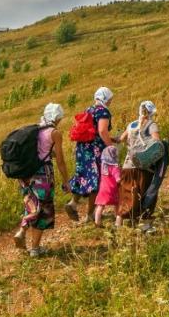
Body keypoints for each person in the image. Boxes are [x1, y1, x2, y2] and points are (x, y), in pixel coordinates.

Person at [13, 103, 70, 257]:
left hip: (26, 175)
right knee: (43, 210)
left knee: (32, 204)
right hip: (42, 175)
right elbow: (60, 160)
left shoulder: (36, 129)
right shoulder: (54, 133)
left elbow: (39, 151)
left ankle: (21, 231)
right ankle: (35, 249)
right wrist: (66, 180)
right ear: (57, 118)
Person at [67, 87, 115, 223]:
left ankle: (73, 203)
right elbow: (102, 131)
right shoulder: (103, 112)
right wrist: (111, 146)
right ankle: (90, 215)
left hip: (82, 148)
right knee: (96, 180)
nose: (110, 102)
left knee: (82, 175)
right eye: (110, 99)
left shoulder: (89, 109)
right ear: (106, 98)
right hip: (95, 151)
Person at [116, 100, 161, 229]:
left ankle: (118, 224)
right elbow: (157, 142)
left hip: (128, 165)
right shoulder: (152, 125)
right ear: (151, 112)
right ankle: (145, 225)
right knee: (145, 194)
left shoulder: (131, 125)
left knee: (126, 193)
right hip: (144, 166)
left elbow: (120, 139)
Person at [94, 146, 121, 227]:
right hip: (112, 189)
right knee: (117, 204)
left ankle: (97, 222)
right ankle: (117, 219)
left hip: (103, 189)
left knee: (100, 205)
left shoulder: (103, 166)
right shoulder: (114, 167)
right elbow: (118, 179)